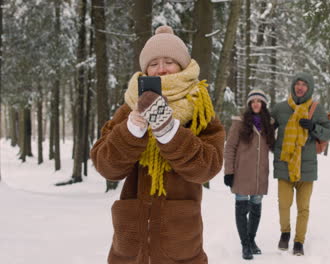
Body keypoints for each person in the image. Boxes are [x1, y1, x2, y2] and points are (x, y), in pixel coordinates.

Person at [90, 25, 225, 264]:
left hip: (181, 243)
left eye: (169, 61)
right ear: (145, 69)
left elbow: (207, 167)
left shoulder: (199, 108)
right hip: (131, 246)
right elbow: (106, 166)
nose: (161, 69)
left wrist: (169, 131)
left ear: (182, 66)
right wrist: (131, 131)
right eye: (154, 63)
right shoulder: (129, 108)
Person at [271, 72, 330, 256]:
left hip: (306, 167)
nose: (300, 87)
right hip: (284, 165)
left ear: (309, 88)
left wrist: (314, 127)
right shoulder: (280, 108)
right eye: (297, 83)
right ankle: (285, 233)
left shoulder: (317, 109)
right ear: (292, 86)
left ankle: (299, 241)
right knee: (283, 204)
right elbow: (266, 129)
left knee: (303, 207)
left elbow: (329, 133)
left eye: (304, 84)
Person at [223, 90, 275, 260]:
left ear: (264, 104)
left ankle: (252, 240)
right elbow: (230, 147)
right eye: (253, 101)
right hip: (241, 173)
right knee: (241, 209)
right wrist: (228, 172)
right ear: (249, 104)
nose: (256, 104)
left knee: (256, 209)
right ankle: (245, 244)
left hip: (260, 175)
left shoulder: (269, 125)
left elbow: (274, 146)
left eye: (259, 101)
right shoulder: (239, 123)